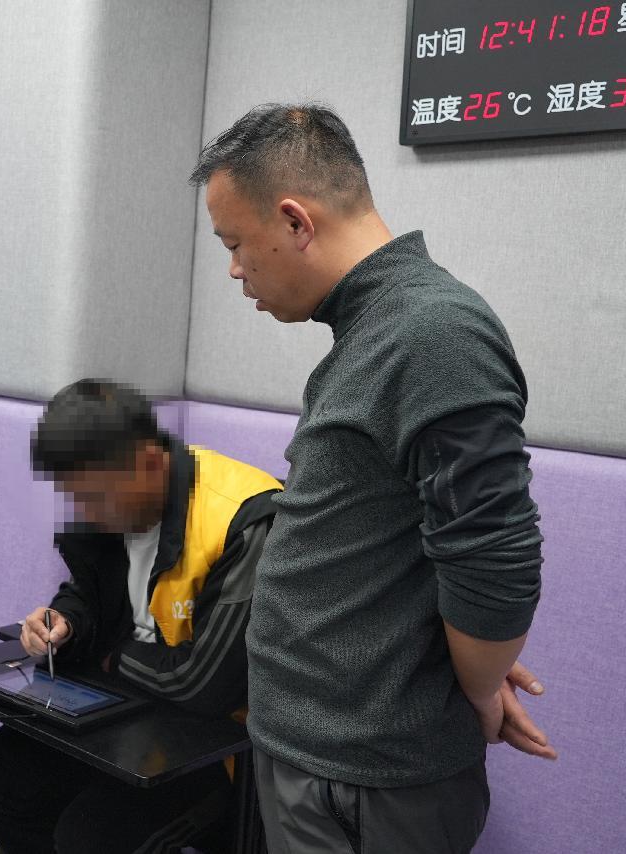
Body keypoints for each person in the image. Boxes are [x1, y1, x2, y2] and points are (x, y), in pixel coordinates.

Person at [190, 103, 556, 853]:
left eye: (235, 244)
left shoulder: (433, 333)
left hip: (364, 772)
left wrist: (479, 685)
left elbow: (495, 564)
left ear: (295, 221)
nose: (233, 269)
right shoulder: (375, 329)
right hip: (321, 751)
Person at [0, 378, 283, 853]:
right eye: (75, 498)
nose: (86, 513)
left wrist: (111, 655)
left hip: (217, 752)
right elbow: (91, 594)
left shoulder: (245, 521)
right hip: (125, 715)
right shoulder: (110, 505)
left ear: (149, 462)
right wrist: (66, 622)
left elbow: (205, 686)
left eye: (94, 498)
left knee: (91, 838)